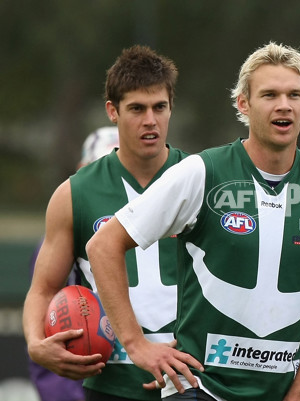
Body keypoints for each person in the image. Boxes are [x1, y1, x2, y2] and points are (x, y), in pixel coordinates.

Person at [85, 42, 300, 401]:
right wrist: (137, 344)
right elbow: (103, 244)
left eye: (295, 94)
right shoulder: (202, 172)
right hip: (199, 388)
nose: (284, 105)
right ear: (243, 104)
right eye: (269, 94)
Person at [23, 45, 188, 401]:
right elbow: (43, 289)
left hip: (192, 379)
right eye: (137, 109)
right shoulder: (74, 193)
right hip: (111, 384)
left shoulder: (201, 179)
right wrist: (36, 344)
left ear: (171, 107)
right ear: (112, 111)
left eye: (159, 107)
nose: (150, 120)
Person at [26, 126, 119, 401]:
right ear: (82, 169)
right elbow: (48, 322)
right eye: (101, 165)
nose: (109, 176)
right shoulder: (59, 240)